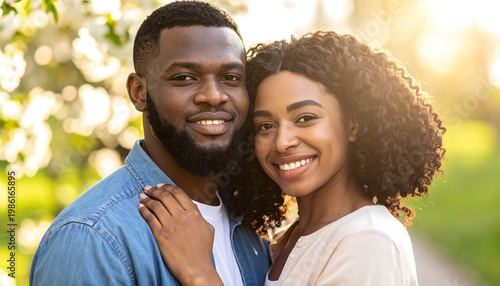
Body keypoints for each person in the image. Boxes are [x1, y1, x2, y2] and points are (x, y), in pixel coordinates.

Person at [138, 31, 446, 285]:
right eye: (266, 126)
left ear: (352, 124)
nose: (282, 142)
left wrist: (199, 273)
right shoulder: (289, 240)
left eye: (305, 118)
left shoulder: (367, 240)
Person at [29, 1, 284, 285]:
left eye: (230, 77)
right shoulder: (93, 238)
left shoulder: (252, 228)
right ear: (139, 92)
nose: (214, 95)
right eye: (185, 77)